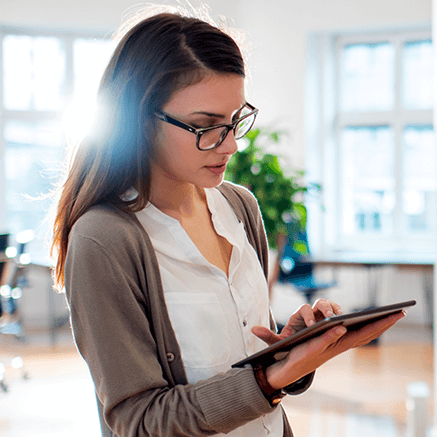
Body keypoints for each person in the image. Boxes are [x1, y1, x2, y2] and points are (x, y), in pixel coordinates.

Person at [50, 5, 406, 437]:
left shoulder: (239, 206)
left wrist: (289, 351)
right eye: (207, 126)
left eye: (236, 120)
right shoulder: (104, 239)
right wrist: (266, 379)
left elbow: (247, 366)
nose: (232, 144)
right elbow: (138, 421)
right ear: (140, 120)